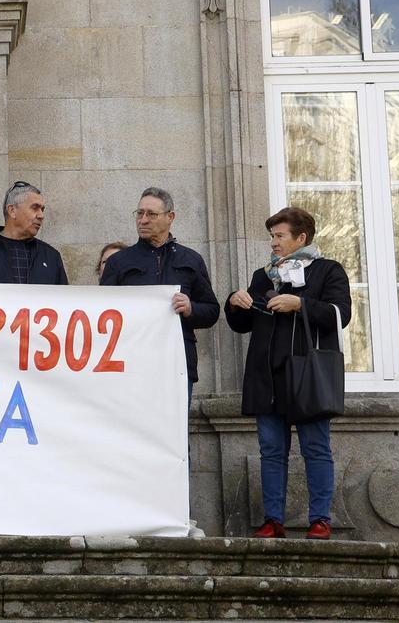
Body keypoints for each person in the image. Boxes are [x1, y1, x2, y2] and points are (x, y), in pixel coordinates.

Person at [225, 207, 351, 541]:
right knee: (271, 451)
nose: (273, 243)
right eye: (272, 236)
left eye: (279, 236)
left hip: (307, 375)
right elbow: (242, 323)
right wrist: (235, 303)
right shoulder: (263, 276)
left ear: (301, 238)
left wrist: (301, 305)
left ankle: (320, 520)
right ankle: (273, 521)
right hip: (267, 376)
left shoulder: (328, 271)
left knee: (316, 448)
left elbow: (342, 314)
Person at [99, 187, 219, 395]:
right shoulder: (119, 262)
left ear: (170, 217)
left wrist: (191, 309)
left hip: (177, 364)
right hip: (131, 364)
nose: (143, 220)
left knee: (176, 428)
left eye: (151, 214)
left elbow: (212, 311)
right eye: (139, 213)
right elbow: (101, 312)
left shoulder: (190, 259)